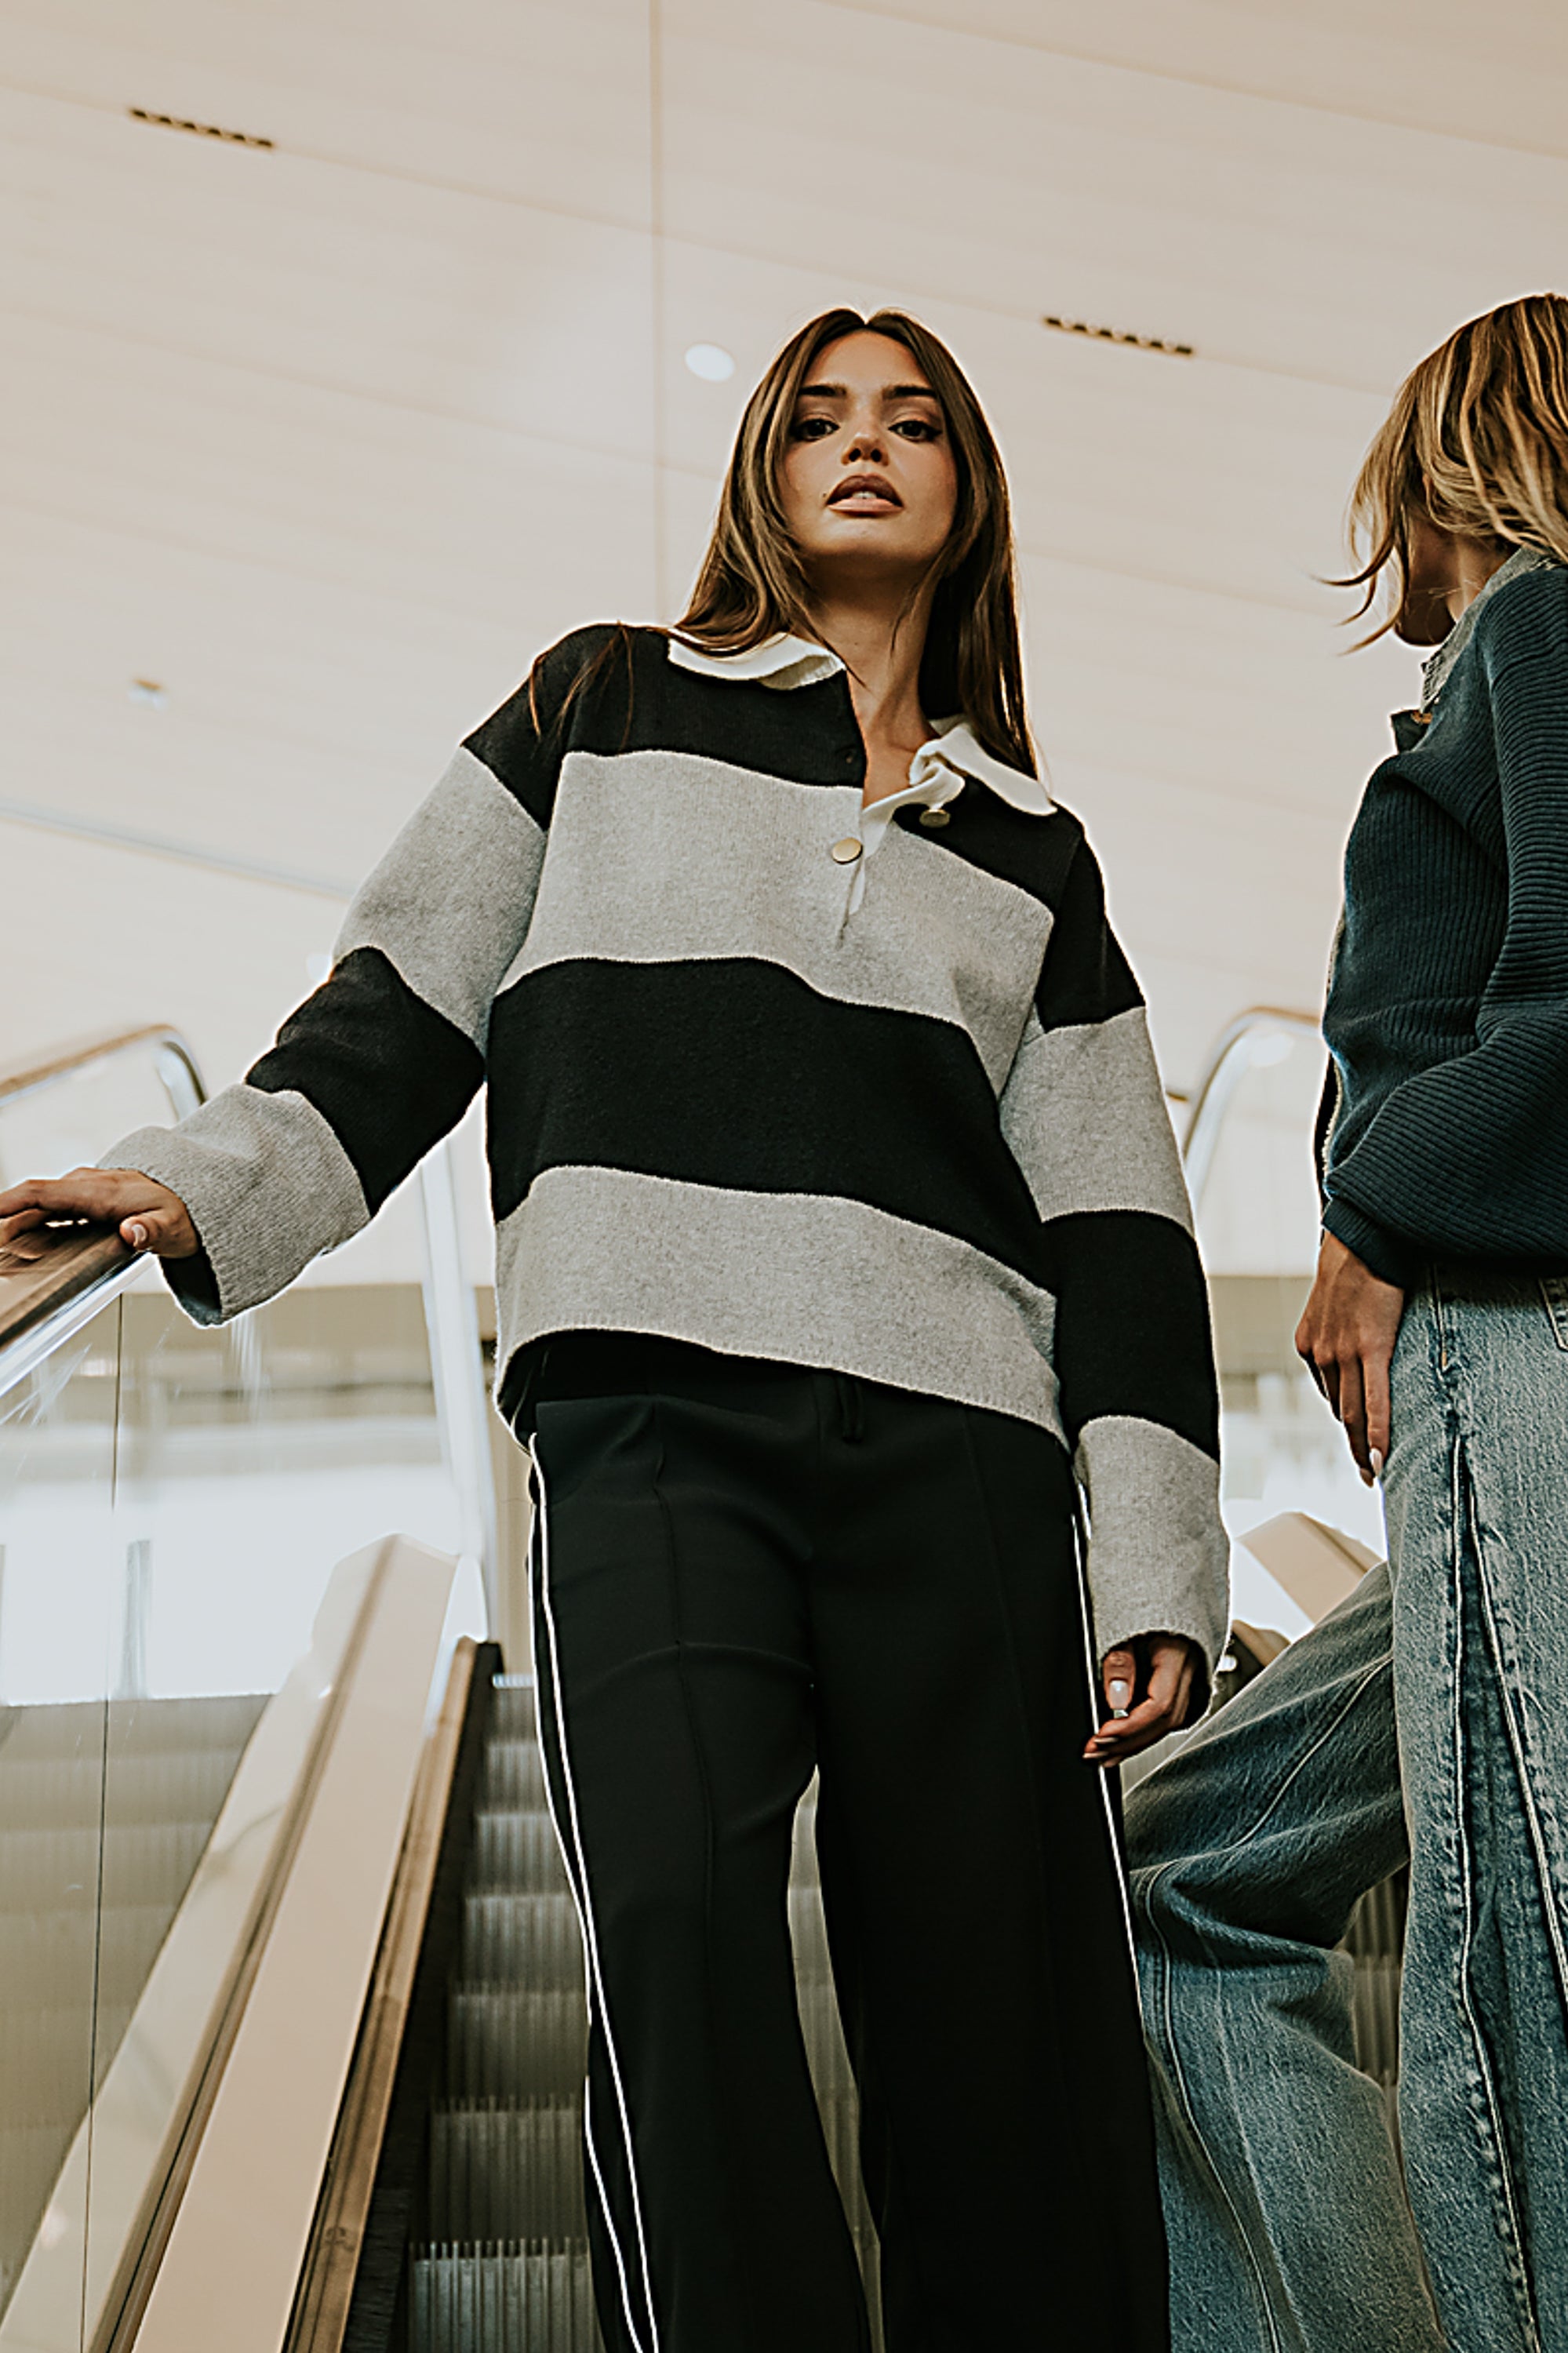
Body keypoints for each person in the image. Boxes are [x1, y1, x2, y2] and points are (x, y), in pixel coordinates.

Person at [0, 307, 1228, 2353]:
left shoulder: (1030, 844)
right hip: (650, 1406)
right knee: (669, 1923)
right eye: (818, 415)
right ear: (762, 467)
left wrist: (1163, 1563)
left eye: (913, 421)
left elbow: (1120, 1226)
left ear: (969, 491)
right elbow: (402, 1001)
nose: (864, 443)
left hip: (966, 1455)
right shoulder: (604, 701)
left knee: (996, 2008)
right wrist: (197, 1182)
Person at [1125, 291, 1568, 2353]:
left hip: (1521, 1339)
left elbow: (1560, 1000)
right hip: (1509, 1360)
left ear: (1455, 456)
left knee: (1513, 1956)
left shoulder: (1539, 627)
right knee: (1191, 1867)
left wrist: (1373, 1216)